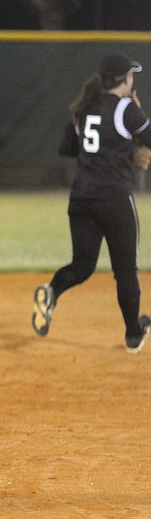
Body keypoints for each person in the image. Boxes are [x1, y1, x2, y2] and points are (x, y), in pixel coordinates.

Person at [32, 53, 151, 353]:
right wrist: (134, 128)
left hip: (82, 199)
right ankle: (132, 334)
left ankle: (52, 292)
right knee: (125, 270)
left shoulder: (84, 109)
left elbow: (67, 148)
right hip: (114, 200)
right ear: (124, 80)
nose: (132, 80)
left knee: (82, 265)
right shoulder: (127, 108)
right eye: (130, 75)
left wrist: (116, 148)